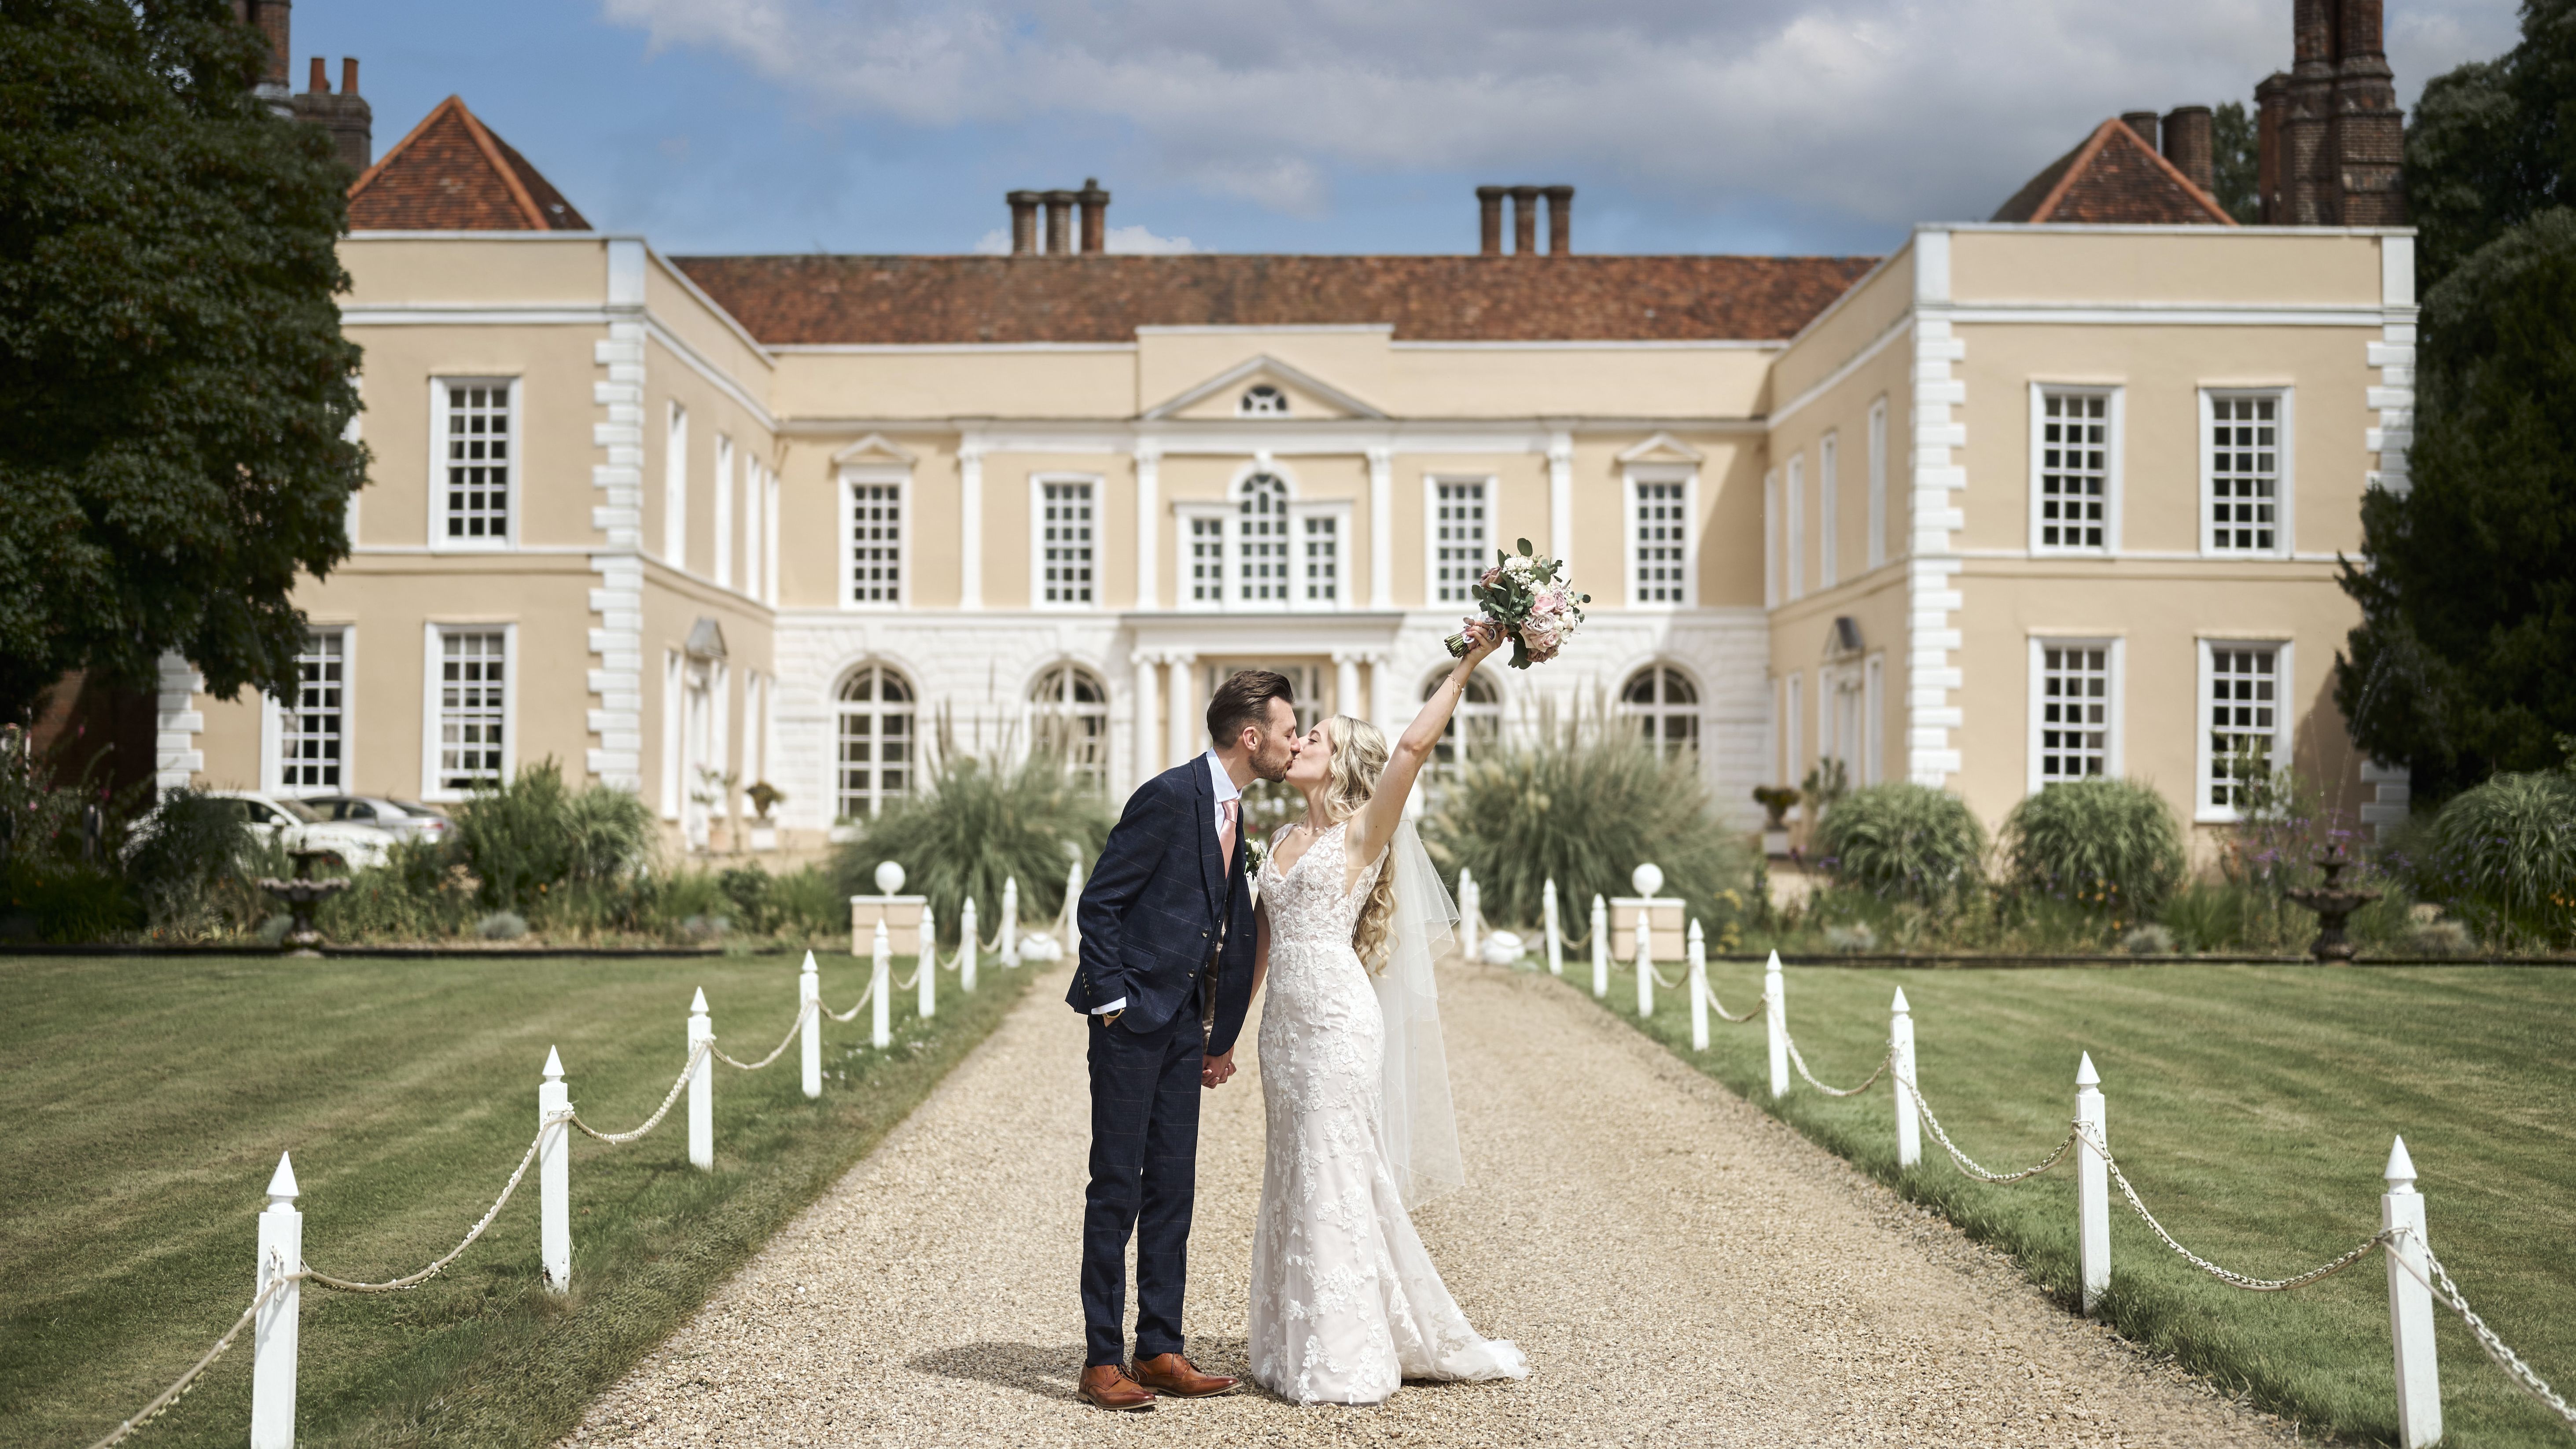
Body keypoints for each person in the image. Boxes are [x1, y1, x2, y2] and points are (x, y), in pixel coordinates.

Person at [1215, 623, 1531, 1404]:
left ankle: (1345, 1352)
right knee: (1296, 1170)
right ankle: (1297, 1338)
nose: (1299, 744)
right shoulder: (1280, 836)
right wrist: (1223, 1039)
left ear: (1343, 760)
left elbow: (1413, 752)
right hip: (1284, 1033)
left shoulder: (1363, 833)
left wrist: (1468, 665)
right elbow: (1256, 949)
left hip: (1338, 1024)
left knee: (1334, 1169)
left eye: (1313, 737)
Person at [1066, 668, 1299, 1411]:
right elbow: (1100, 904)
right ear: (1251, 735)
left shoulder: (1237, 811)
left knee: (1173, 1188)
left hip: (1182, 1029)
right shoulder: (1169, 796)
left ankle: (1160, 1347)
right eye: (1289, 732)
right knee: (1117, 1187)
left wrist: (1217, 1032)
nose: (1295, 745)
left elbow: (1223, 934)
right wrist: (1113, 1005)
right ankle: (1102, 1359)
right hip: (1132, 1025)